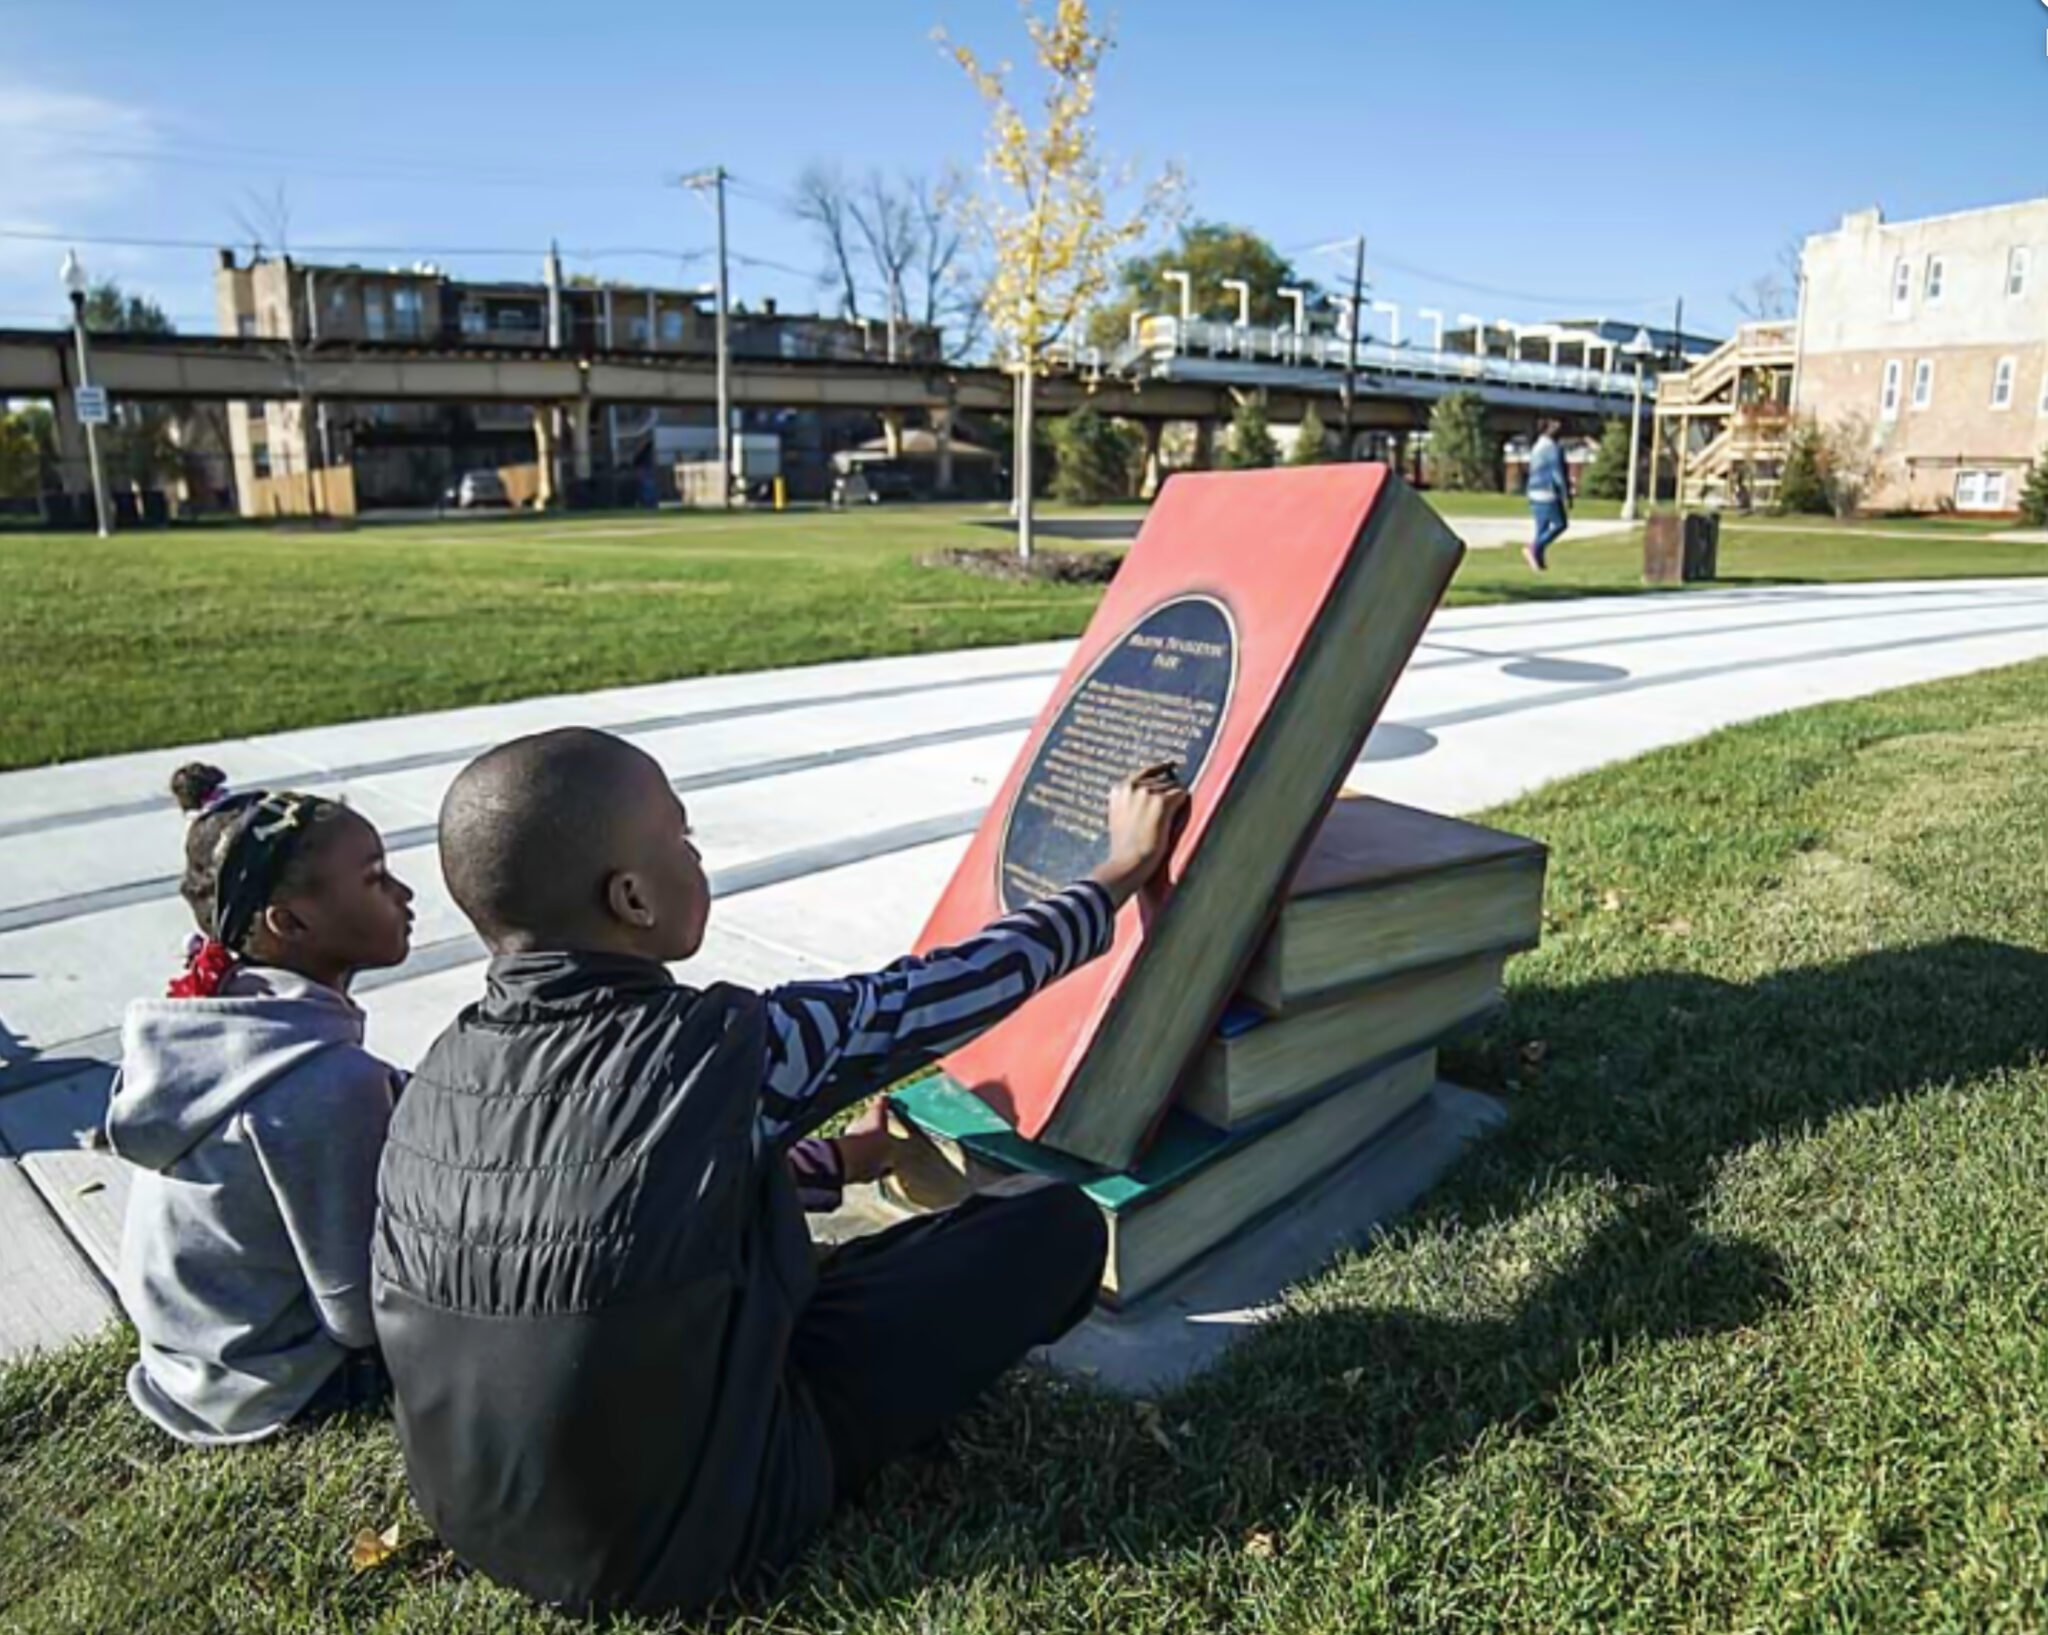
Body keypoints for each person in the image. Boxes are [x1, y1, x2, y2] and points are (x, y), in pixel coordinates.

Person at [372, 728, 1188, 1618]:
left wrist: (834, 1164)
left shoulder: (436, 1074)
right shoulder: (726, 1049)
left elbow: (611, 1207)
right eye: (681, 837)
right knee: (1050, 1223)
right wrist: (1122, 867)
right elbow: (956, 986)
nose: (696, 856)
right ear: (632, 897)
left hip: (473, 1514)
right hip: (694, 1536)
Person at [106, 763, 415, 1445]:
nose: (404, 893)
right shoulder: (327, 1083)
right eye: (375, 878)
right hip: (276, 1385)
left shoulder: (215, 1026)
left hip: (188, 1366)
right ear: (289, 922)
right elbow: (359, 1314)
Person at [1523, 418, 1572, 572]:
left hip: (1533, 491)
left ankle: (1538, 562)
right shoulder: (1553, 449)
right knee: (1560, 524)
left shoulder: (1537, 446)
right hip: (1548, 491)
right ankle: (1534, 547)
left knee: (1541, 528)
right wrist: (1566, 494)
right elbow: (1558, 474)